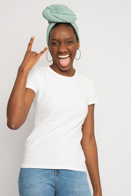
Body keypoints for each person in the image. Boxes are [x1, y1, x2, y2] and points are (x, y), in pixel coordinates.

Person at [6, 4, 102, 196]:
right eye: (55, 43)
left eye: (69, 41)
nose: (62, 49)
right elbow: (14, 122)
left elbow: (89, 139)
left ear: (78, 44)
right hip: (36, 170)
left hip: (74, 172)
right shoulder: (38, 76)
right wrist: (22, 71)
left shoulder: (87, 84)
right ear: (49, 46)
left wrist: (98, 188)